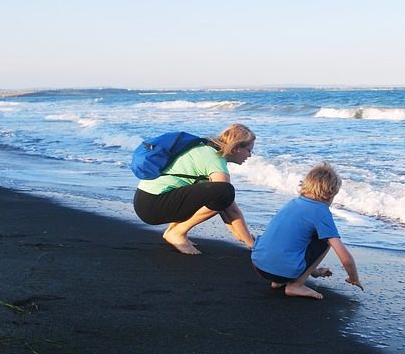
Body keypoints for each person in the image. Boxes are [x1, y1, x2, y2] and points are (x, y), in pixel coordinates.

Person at [133, 123, 256, 254]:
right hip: (153, 205)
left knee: (216, 193)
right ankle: (177, 233)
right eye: (249, 150)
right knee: (225, 191)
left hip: (145, 200)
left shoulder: (204, 148)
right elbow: (228, 204)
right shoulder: (215, 159)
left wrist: (241, 236)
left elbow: (223, 205)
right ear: (236, 147)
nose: (250, 155)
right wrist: (251, 243)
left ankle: (174, 231)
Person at [251, 162, 363, 300]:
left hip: (258, 265)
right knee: (325, 241)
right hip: (283, 271)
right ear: (330, 194)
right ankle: (295, 285)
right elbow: (346, 258)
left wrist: (315, 272)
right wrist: (353, 278)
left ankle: (279, 281)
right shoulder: (321, 212)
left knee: (295, 237)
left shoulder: (292, 203)